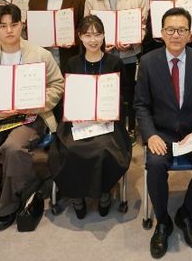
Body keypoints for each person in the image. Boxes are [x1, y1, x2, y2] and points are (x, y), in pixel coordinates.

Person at [0, 4, 64, 233]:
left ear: (22, 25)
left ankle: (8, 205)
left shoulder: (40, 54)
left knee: (14, 148)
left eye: (14, 24)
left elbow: (57, 85)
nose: (9, 30)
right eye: (3, 26)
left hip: (31, 116)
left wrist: (36, 103)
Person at [134, 8, 192, 258]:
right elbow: (141, 105)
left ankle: (186, 214)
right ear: (161, 33)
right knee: (155, 164)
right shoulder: (148, 62)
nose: (175, 35)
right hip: (162, 132)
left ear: (190, 34)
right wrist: (150, 135)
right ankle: (163, 221)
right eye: (170, 29)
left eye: (181, 30)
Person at [48, 15, 131, 219]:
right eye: (87, 35)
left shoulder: (115, 63)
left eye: (97, 34)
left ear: (104, 36)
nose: (93, 40)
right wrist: (75, 114)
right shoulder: (72, 63)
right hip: (78, 121)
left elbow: (124, 97)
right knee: (71, 149)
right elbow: (67, 97)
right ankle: (76, 196)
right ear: (80, 37)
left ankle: (104, 192)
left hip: (108, 122)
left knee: (103, 148)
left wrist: (110, 113)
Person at [84, 0, 147, 139]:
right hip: (101, 55)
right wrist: (99, 45)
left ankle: (130, 129)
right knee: (105, 93)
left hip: (129, 55)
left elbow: (143, 26)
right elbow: (87, 27)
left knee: (129, 93)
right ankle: (106, 129)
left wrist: (133, 40)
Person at [28, 0, 85, 72]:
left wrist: (72, 39)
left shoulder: (78, 0)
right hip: (43, 53)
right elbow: (30, 27)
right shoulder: (35, 1)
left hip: (68, 54)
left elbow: (82, 28)